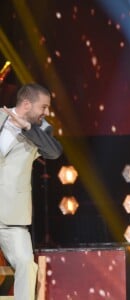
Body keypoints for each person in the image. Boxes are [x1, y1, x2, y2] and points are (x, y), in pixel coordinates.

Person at [0, 83, 63, 300]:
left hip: (12, 217)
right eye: (43, 107)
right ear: (26, 104)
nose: (46, 113)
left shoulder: (41, 131)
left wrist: (27, 128)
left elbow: (54, 152)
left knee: (27, 264)